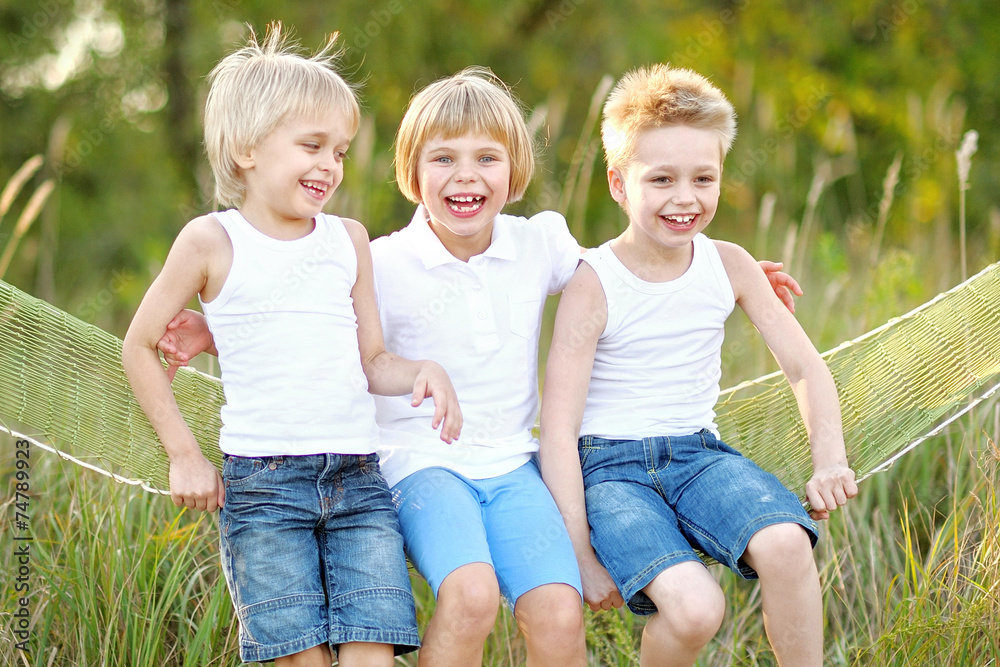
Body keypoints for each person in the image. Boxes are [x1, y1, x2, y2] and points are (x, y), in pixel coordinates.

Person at [159, 66, 802, 666]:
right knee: (470, 594)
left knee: (556, 608)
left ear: (513, 171)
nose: (466, 176)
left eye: (487, 159)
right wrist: (213, 329)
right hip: (418, 463)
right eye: (443, 159)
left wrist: (723, 269)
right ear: (413, 174)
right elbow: (308, 319)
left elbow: (624, 269)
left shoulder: (539, 243)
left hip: (514, 465)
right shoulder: (378, 261)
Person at [122, 23, 461, 667]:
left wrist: (425, 371)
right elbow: (138, 346)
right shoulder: (210, 241)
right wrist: (183, 455)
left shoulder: (348, 239)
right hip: (265, 487)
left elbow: (369, 362)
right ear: (248, 149)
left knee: (372, 656)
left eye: (340, 150)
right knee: (298, 658)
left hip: (358, 478)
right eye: (312, 145)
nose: (330, 165)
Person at [539, 63, 858, 667]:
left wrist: (829, 460)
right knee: (695, 610)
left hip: (697, 455)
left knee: (789, 543)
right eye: (661, 179)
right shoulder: (594, 283)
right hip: (610, 472)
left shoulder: (730, 265)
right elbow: (557, 429)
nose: (685, 198)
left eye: (703, 178)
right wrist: (579, 551)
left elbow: (805, 367)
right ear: (617, 184)